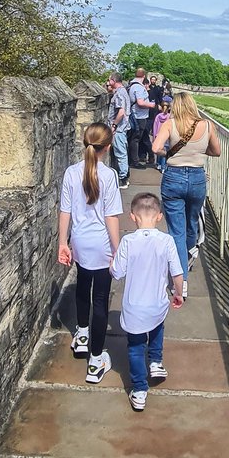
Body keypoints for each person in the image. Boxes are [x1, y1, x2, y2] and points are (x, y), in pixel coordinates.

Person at [57, 123, 122, 384]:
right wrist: (118, 250)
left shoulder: (71, 172)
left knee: (83, 285)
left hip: (80, 242)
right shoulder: (109, 176)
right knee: (102, 297)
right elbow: (111, 217)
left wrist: (63, 242)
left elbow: (65, 211)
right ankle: (95, 360)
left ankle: (81, 334)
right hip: (102, 244)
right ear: (107, 147)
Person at [110, 192, 184, 411]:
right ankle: (155, 362)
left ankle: (140, 390)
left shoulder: (127, 241)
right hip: (157, 302)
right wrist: (178, 293)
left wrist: (111, 264)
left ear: (133, 217)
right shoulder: (167, 240)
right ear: (159, 216)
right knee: (157, 327)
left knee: (134, 348)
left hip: (133, 306)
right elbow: (177, 272)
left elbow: (117, 273)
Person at [152, 92, 221, 299]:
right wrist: (198, 152)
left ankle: (180, 283)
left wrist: (169, 153)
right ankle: (188, 255)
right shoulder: (207, 125)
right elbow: (216, 152)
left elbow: (156, 148)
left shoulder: (169, 124)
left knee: (176, 232)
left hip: (173, 178)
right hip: (198, 178)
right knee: (191, 224)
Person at [127, 68, 155, 169]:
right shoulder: (138, 87)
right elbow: (140, 103)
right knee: (136, 139)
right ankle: (134, 162)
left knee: (134, 138)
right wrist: (153, 105)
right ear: (144, 76)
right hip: (139, 117)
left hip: (136, 115)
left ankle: (132, 160)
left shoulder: (132, 85)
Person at [106, 72, 130, 187]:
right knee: (122, 152)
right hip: (122, 127)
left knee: (120, 153)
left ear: (113, 81)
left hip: (119, 128)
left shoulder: (120, 93)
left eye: (109, 80)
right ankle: (124, 175)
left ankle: (123, 179)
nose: (108, 82)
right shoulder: (122, 91)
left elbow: (121, 112)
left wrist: (114, 125)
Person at [152, 93, 173, 171]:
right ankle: (163, 167)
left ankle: (158, 164)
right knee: (165, 152)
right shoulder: (169, 117)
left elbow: (155, 127)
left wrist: (154, 137)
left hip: (158, 135)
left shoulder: (158, 116)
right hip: (166, 137)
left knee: (158, 150)